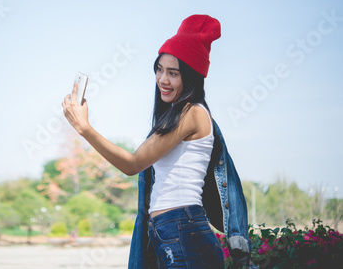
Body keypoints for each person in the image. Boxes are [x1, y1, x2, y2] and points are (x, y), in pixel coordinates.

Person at [62, 14, 252, 268]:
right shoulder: (175, 116)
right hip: (170, 230)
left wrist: (85, 129)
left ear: (191, 76)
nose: (163, 79)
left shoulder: (191, 112)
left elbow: (132, 164)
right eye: (159, 69)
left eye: (173, 73)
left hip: (184, 230)